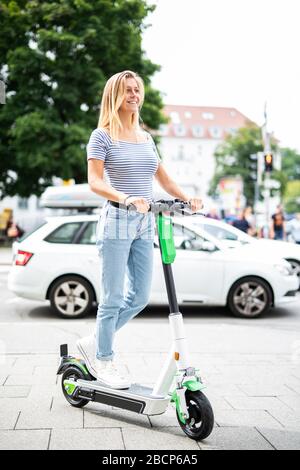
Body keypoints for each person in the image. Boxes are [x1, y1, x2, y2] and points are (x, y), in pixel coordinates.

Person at [77, 70, 203, 389]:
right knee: (113, 297)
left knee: (140, 297)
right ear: (115, 96)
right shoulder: (102, 135)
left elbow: (164, 179)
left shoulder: (146, 138)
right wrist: (126, 197)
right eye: (128, 90)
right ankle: (103, 359)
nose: (134, 95)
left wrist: (188, 198)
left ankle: (94, 341)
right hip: (118, 219)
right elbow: (95, 181)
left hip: (146, 222)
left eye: (137, 90)